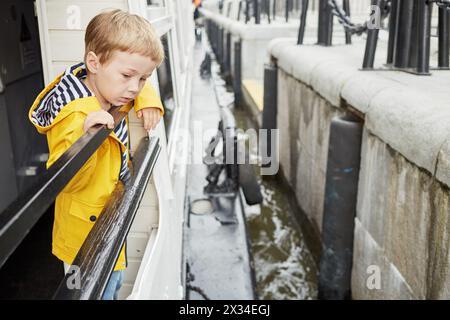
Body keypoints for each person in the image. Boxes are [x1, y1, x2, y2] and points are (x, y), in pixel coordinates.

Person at [28, 9, 165, 300]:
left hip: (108, 219)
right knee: (89, 294)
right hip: (83, 241)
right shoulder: (73, 114)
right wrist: (84, 137)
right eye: (129, 76)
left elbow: (135, 74)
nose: (134, 88)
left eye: (143, 79)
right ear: (94, 62)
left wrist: (149, 98)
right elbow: (65, 179)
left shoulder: (111, 86)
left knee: (112, 287)